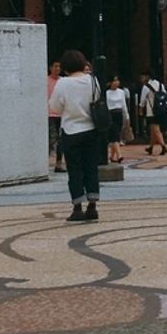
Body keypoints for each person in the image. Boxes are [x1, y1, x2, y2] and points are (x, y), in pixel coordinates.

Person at [48, 49, 100, 222]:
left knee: (75, 170)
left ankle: (77, 207)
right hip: (91, 129)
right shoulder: (92, 81)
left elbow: (55, 106)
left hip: (71, 130)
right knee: (91, 167)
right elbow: (98, 100)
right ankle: (92, 206)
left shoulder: (62, 84)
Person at [138, 70, 167, 156]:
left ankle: (163, 146)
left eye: (143, 77)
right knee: (153, 130)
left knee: (155, 128)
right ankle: (150, 147)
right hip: (161, 109)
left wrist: (140, 109)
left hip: (151, 110)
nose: (142, 79)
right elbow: (165, 96)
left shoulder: (146, 87)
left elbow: (142, 100)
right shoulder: (161, 85)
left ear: (148, 76)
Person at [105, 75, 129, 164]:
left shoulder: (121, 92)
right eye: (114, 81)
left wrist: (126, 116)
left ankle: (112, 156)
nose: (116, 83)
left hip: (119, 114)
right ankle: (119, 155)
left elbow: (123, 105)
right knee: (114, 135)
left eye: (117, 80)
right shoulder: (107, 93)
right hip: (111, 113)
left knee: (117, 135)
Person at [47, 59, 65, 173]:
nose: (57, 69)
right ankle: (46, 161)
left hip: (61, 113)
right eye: (55, 66)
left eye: (59, 67)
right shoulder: (46, 81)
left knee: (61, 140)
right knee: (51, 139)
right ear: (50, 68)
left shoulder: (63, 81)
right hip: (49, 114)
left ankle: (59, 164)